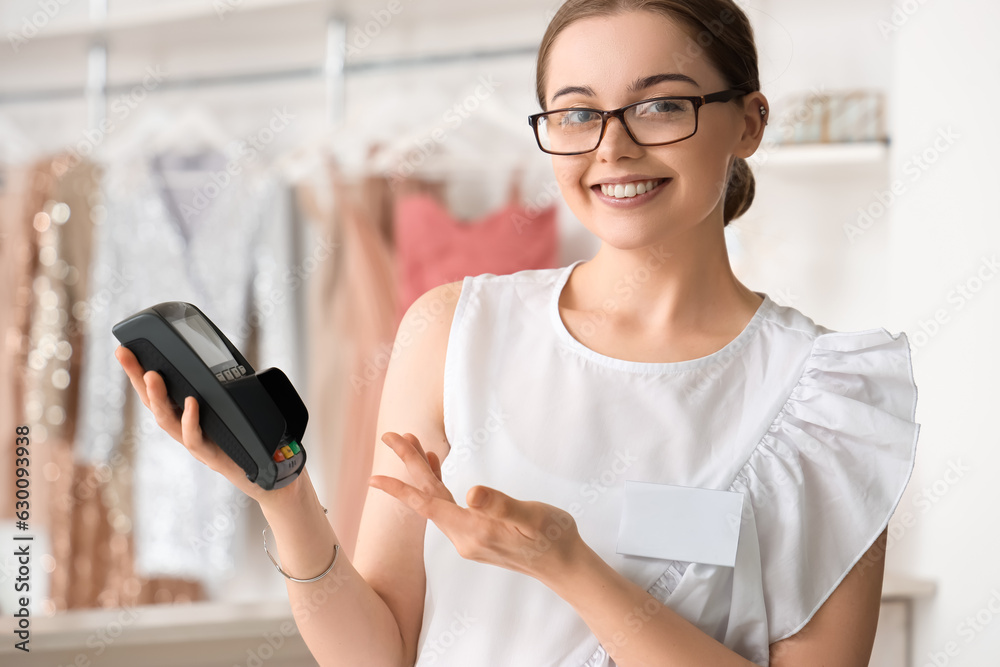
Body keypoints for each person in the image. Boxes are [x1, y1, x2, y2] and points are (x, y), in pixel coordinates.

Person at [115, 0, 919, 665]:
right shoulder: (453, 330)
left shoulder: (830, 399)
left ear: (749, 122)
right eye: (576, 113)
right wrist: (283, 497)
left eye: (662, 104)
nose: (613, 146)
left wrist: (568, 567)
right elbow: (376, 652)